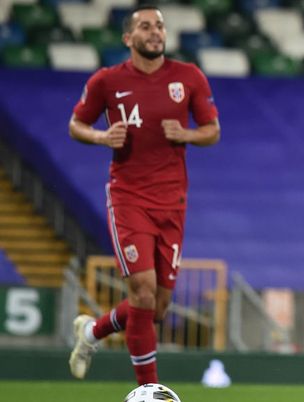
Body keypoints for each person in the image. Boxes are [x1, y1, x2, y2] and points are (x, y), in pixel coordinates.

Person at [67, 4, 220, 385]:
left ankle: (92, 333)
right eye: (146, 26)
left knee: (155, 306)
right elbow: (76, 124)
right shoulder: (107, 81)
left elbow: (212, 130)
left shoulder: (188, 77)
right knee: (143, 289)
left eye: (160, 26)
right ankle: (148, 390)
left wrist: (185, 134)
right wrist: (102, 136)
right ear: (128, 38)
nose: (155, 32)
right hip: (128, 197)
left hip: (173, 202)